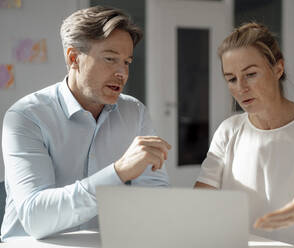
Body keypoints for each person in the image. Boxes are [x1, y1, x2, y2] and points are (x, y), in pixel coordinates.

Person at [1, 6, 171, 241]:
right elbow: (35, 218)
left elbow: (155, 196)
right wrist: (118, 172)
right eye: (110, 59)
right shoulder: (25, 117)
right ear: (74, 58)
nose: (122, 73)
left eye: (127, 62)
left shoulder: (135, 112)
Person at [194, 22, 294, 248]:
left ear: (278, 69)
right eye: (231, 79)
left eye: (250, 74)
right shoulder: (228, 130)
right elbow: (199, 205)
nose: (241, 88)